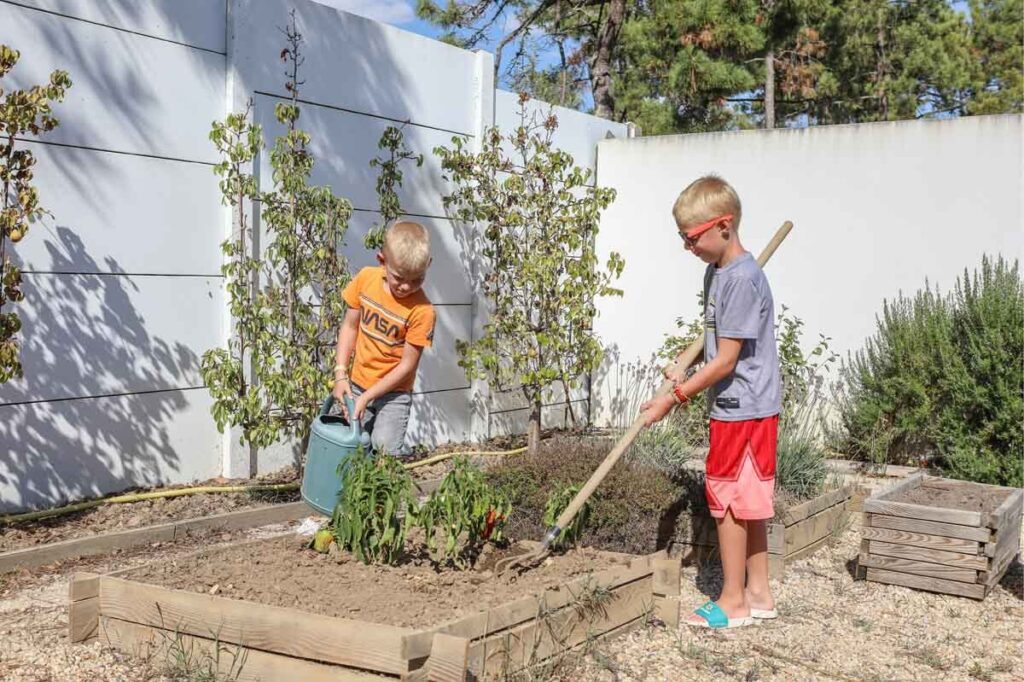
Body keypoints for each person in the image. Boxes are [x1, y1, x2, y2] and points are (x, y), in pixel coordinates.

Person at [641, 175, 781, 629]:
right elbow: (713, 338)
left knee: (729, 502)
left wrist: (673, 399)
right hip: (752, 406)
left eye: (692, 237)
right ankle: (758, 593)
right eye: (682, 238)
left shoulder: (740, 280)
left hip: (741, 408)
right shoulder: (718, 271)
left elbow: (725, 361)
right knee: (748, 500)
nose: (688, 247)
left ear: (724, 225)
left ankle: (733, 601)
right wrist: (682, 364)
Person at [332, 221, 436, 457]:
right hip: (357, 384)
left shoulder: (423, 311)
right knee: (350, 450)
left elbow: (407, 366)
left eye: (417, 279)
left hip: (394, 395)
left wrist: (368, 397)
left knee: (384, 453)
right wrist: (340, 374)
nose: (406, 286)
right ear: (382, 260)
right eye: (399, 277)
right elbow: (350, 326)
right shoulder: (365, 280)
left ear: (428, 266)